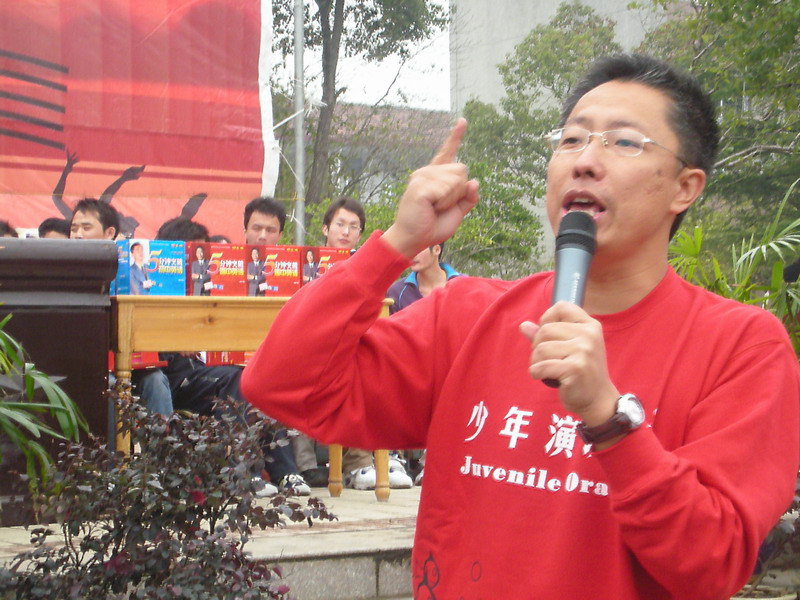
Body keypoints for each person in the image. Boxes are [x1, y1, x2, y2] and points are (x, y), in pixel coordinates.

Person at [241, 54, 800, 599]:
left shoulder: (742, 347)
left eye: (624, 142)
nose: (585, 160)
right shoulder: (469, 316)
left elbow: (712, 564)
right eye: (571, 139)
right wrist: (396, 244)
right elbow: (282, 384)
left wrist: (609, 419)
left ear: (685, 187)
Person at [156, 219, 310, 497]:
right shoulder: (158, 289)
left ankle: (286, 472)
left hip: (211, 372)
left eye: (203, 254)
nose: (199, 260)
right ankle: (243, 473)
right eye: (193, 253)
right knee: (236, 379)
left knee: (257, 379)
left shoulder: (210, 286)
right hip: (176, 377)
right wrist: (174, 341)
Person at [292, 196, 413, 490]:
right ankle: (306, 467)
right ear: (325, 228)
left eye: (354, 227)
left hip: (351, 348)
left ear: (361, 234)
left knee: (371, 371)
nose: (346, 232)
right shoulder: (302, 265)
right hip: (309, 348)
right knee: (300, 372)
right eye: (340, 224)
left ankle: (363, 463)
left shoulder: (368, 266)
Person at [68, 200, 173, 417]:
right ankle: (108, 442)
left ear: (109, 233)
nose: (78, 235)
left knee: (156, 381)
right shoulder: (65, 271)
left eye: (86, 228)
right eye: (74, 228)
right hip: (88, 363)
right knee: (110, 386)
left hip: (133, 360)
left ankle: (165, 440)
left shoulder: (125, 270)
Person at [386, 241, 464, 485]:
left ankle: (436, 458)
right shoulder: (396, 292)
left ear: (436, 249)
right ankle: (392, 458)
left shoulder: (462, 286)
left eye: (420, 248)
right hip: (409, 367)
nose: (412, 254)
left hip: (452, 367)